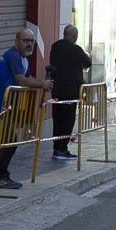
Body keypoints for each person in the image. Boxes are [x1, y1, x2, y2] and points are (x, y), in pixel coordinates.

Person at [0, 29, 53, 190]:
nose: (29, 44)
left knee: (3, 141)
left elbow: (27, 79)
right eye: (25, 40)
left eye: (31, 41)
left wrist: (42, 84)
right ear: (17, 41)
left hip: (4, 107)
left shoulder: (23, 59)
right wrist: (42, 84)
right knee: (8, 141)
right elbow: (20, 79)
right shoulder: (13, 56)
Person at [49, 25, 91, 160]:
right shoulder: (75, 49)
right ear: (74, 36)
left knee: (57, 118)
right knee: (68, 120)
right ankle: (62, 149)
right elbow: (87, 62)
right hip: (70, 90)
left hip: (57, 89)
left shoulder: (55, 47)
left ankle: (57, 147)